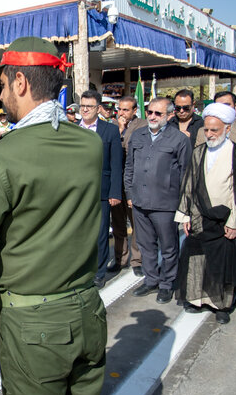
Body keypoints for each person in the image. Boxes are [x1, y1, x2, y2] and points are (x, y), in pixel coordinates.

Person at [0, 36, 106, 395]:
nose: (1, 94)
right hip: (89, 310)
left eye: (3, 85)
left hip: (34, 328)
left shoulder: (2, 158)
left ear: (21, 83)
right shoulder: (90, 145)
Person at [175, 103, 236, 324]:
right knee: (197, 257)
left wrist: (234, 222)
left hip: (224, 219)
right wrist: (186, 215)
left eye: (214, 130)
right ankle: (198, 299)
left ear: (227, 129)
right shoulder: (199, 151)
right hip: (200, 215)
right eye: (206, 130)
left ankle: (221, 305)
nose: (209, 134)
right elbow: (189, 183)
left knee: (221, 262)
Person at [195, 91, 236, 308]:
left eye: (226, 105)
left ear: (235, 107)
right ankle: (207, 294)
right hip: (207, 208)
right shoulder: (202, 132)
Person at [125, 97, 191, 304]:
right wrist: (129, 194)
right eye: (150, 112)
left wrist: (184, 205)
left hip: (165, 204)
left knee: (169, 247)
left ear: (170, 115)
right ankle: (151, 279)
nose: (152, 117)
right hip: (139, 201)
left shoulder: (179, 140)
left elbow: (187, 174)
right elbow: (130, 167)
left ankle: (167, 283)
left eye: (157, 113)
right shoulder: (138, 136)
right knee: (146, 245)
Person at [79, 89, 122, 287]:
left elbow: (115, 164)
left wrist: (114, 192)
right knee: (80, 232)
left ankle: (99, 272)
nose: (85, 110)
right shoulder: (73, 129)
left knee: (100, 233)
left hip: (102, 191)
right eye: (82, 106)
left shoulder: (110, 130)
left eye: (89, 106)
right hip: (78, 192)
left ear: (98, 108)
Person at [111, 96, 147, 276]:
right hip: (117, 182)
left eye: (126, 110)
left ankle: (137, 260)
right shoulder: (113, 125)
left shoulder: (142, 126)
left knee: (136, 224)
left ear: (134, 110)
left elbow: (130, 148)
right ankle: (120, 258)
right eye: (120, 109)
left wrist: (123, 131)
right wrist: (118, 130)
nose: (122, 113)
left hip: (133, 182)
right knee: (118, 223)